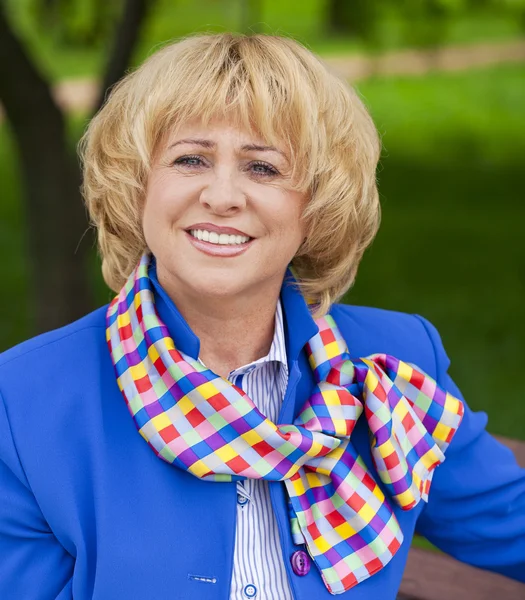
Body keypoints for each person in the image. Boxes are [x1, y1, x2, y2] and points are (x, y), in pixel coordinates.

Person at [0, 33, 523, 600]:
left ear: (317, 206)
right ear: (136, 187)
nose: (222, 195)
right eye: (190, 159)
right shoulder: (24, 402)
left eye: (264, 168)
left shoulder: (391, 366)